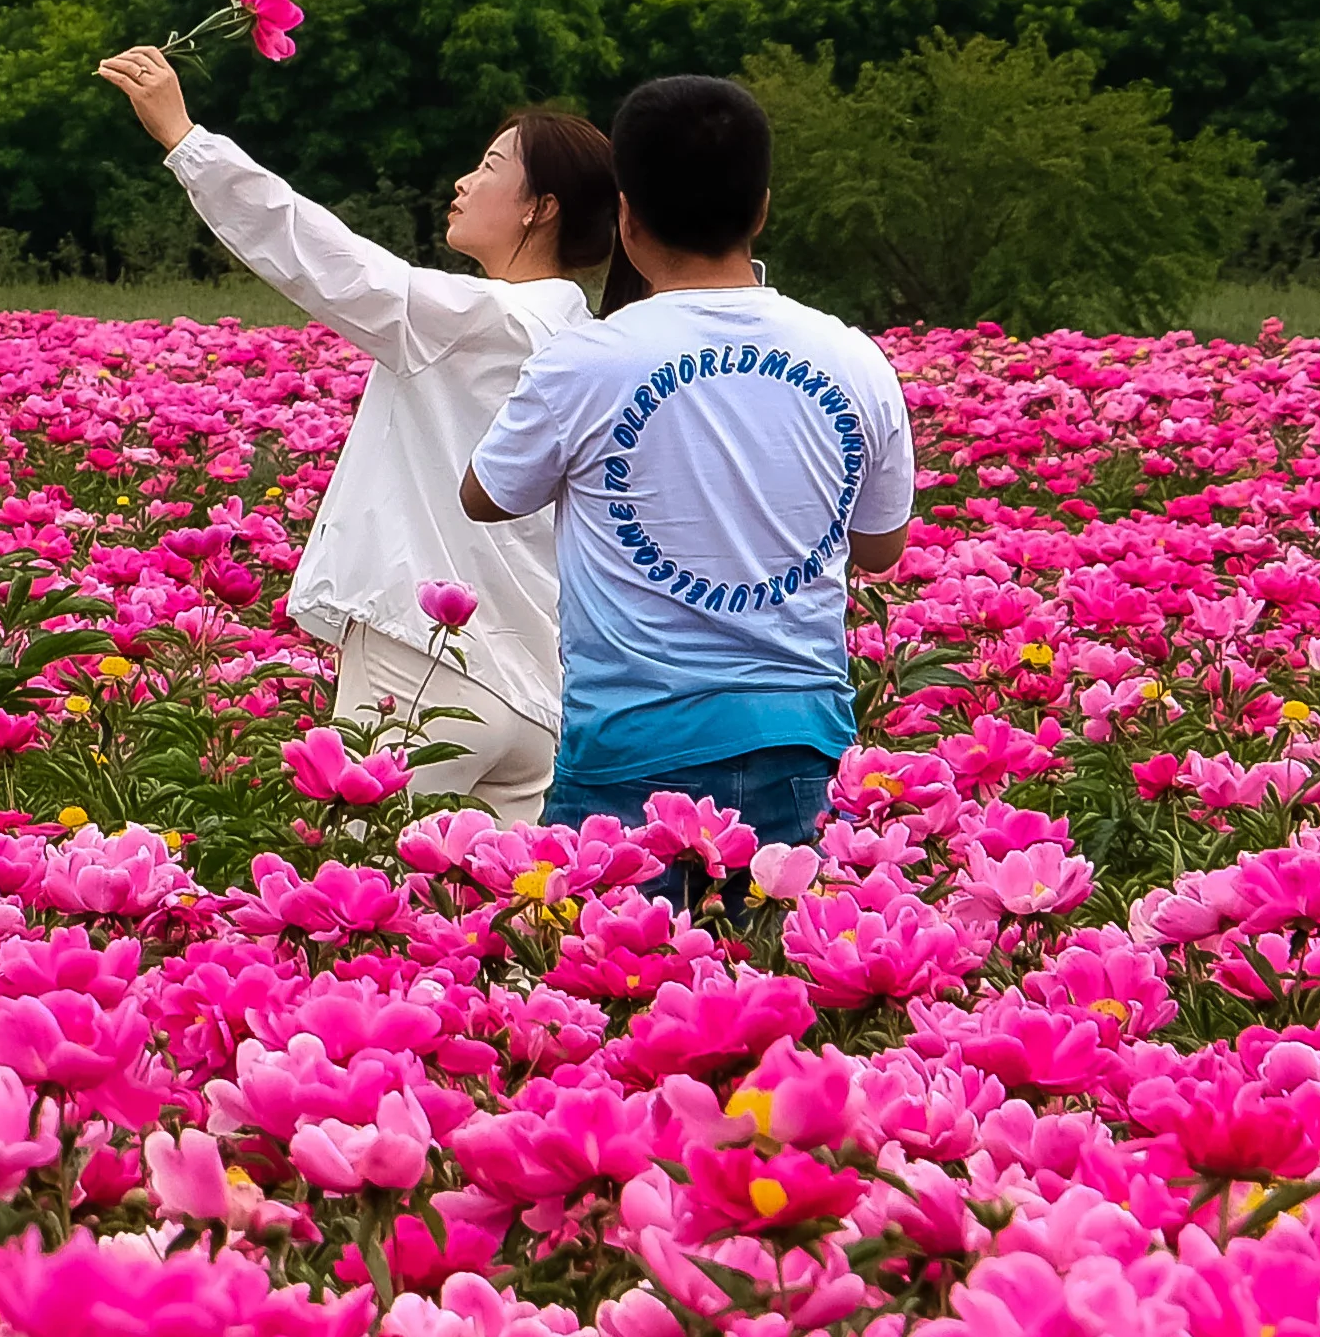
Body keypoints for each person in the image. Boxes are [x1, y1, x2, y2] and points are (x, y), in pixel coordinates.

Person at [97, 45, 614, 821]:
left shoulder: (476, 320)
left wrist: (184, 137)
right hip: (541, 695)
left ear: (540, 207)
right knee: (499, 924)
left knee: (364, 898)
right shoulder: (589, 340)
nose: (463, 182)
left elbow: (322, 257)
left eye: (488, 165)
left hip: (428, 670)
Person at [461, 74, 913, 853]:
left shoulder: (588, 362)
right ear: (762, 207)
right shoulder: (852, 358)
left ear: (626, 216)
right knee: (787, 968)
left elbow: (487, 496)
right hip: (804, 740)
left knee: (607, 967)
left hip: (630, 749)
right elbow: (880, 549)